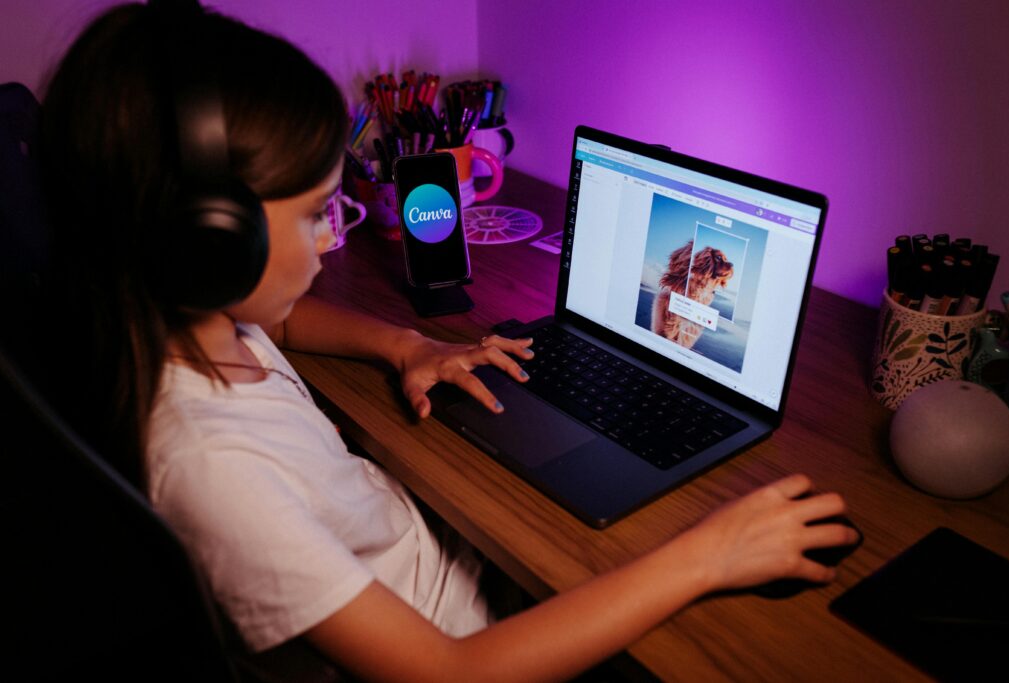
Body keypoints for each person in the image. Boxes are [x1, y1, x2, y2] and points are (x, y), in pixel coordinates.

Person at [36, 3, 858, 681]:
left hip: (440, 568)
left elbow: (280, 321)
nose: (333, 238)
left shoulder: (199, 323)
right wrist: (707, 556)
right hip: (474, 640)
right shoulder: (214, 470)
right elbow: (453, 673)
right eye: (315, 212)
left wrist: (404, 345)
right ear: (210, 244)